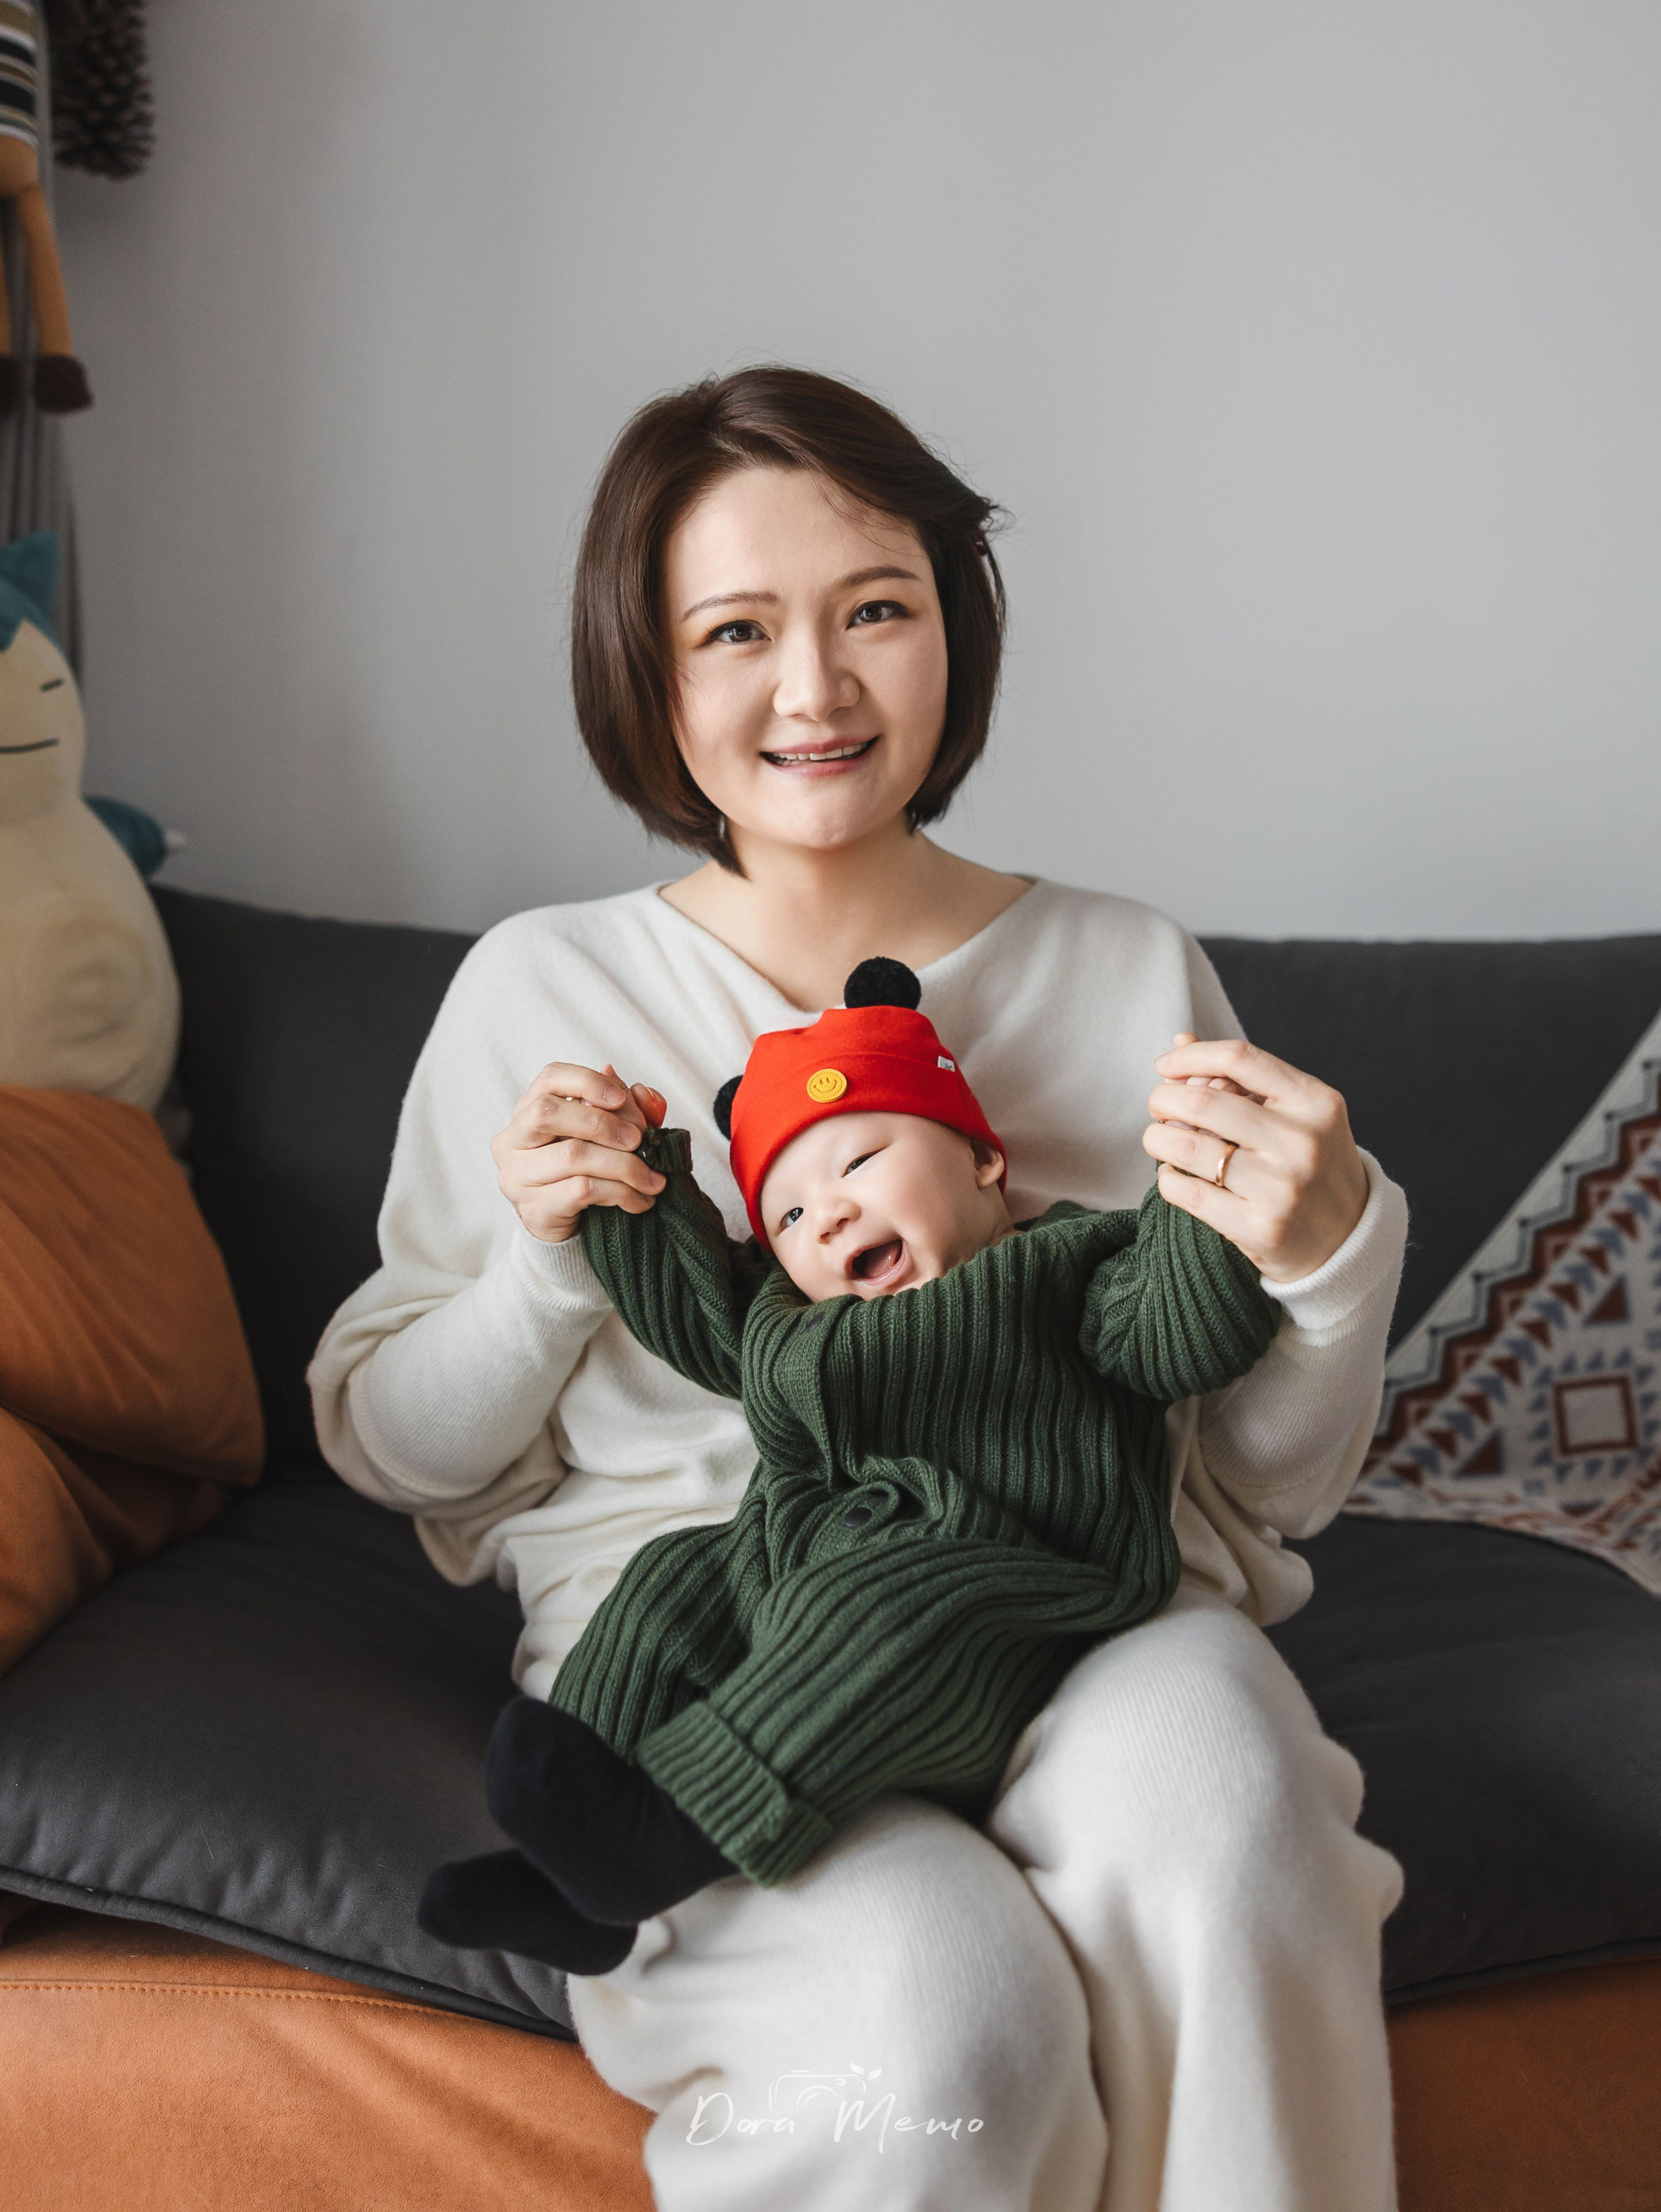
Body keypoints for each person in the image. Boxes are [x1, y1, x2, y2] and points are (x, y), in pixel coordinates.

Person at [309, 365, 1409, 2212]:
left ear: (952, 636)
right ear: (647, 672)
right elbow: (402, 1453)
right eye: (735, 631)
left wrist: (1324, 1259)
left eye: (874, 611)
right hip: (732, 1665)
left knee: (1228, 1808)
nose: (814, 692)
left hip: (1088, 1611)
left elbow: (1268, 1481)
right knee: (945, 2020)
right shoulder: (540, 992)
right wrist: (549, 1268)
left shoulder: (1127, 965)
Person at [417, 957, 1283, 1971]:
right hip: (793, 1559)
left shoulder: (1064, 1267)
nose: (823, 1215)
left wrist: (1199, 1190)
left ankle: (669, 1829)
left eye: (861, 1162)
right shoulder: (786, 1320)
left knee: (882, 1606)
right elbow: (690, 1307)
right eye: (786, 1215)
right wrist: (630, 1180)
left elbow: (1189, 1334)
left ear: (982, 1161)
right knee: (670, 1583)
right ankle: (575, 1885)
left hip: (1004, 1577)